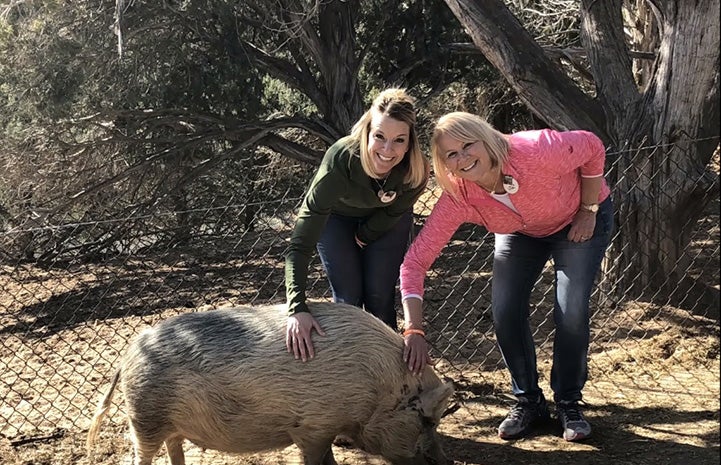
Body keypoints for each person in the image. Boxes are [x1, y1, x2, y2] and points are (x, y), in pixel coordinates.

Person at [399, 112, 613, 442]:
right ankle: (528, 402)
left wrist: (588, 209)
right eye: (451, 154)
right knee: (505, 311)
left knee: (570, 310)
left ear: (486, 139)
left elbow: (592, 145)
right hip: (520, 231)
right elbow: (414, 263)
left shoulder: (535, 149)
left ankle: (569, 403)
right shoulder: (460, 195)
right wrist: (414, 327)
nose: (463, 158)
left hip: (576, 217)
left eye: (468, 145)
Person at [285, 88, 430, 363]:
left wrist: (365, 236)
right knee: (349, 297)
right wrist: (297, 307)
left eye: (399, 140)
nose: (388, 150)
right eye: (379, 136)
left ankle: (392, 378)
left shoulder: (415, 171)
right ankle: (350, 371)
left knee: (378, 297)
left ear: (410, 143)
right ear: (366, 132)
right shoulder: (341, 160)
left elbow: (395, 213)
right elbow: (300, 244)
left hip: (385, 220)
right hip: (336, 219)